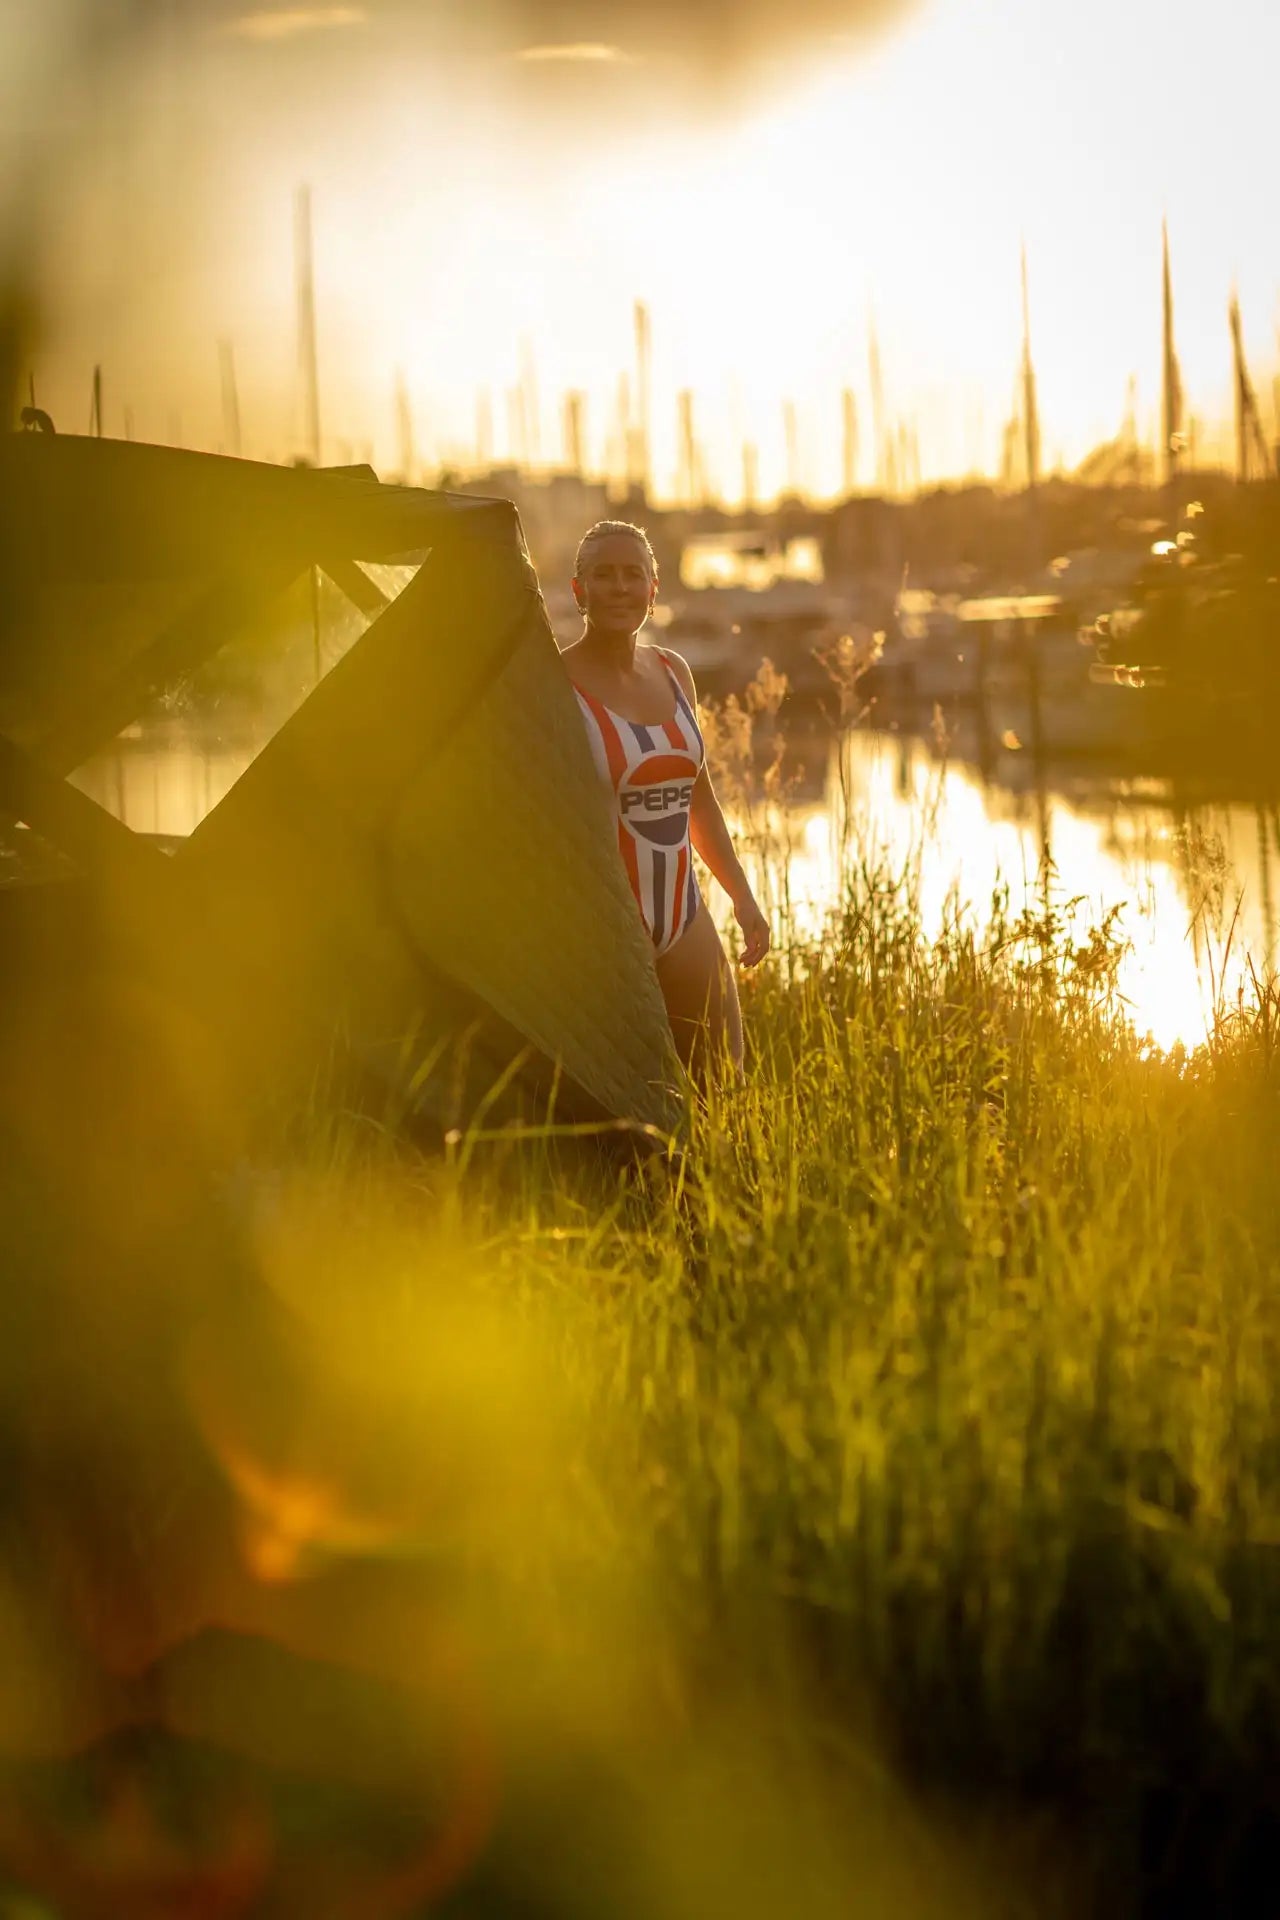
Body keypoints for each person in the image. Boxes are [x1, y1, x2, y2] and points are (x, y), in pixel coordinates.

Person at [561, 519, 770, 1078]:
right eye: (603, 575)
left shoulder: (674, 671)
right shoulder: (554, 682)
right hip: (604, 928)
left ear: (654, 591)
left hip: (682, 915)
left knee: (724, 1081)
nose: (620, 587)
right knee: (632, 1097)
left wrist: (742, 899)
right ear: (578, 589)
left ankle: (722, 1171)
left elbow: (698, 800)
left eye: (634, 575)